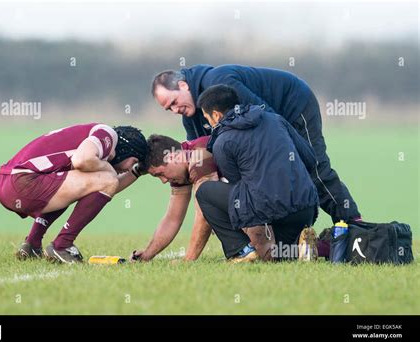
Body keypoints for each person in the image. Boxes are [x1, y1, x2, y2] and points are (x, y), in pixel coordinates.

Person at [151, 64, 361, 223]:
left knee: (312, 166)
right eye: (169, 109)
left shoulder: (220, 81)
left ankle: (351, 223)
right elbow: (207, 154)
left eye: (174, 102)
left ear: (183, 85)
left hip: (294, 106)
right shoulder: (190, 115)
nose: (175, 110)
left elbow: (266, 117)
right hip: (273, 118)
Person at [195, 84, 319, 261]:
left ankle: (240, 251)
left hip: (268, 209)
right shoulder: (276, 120)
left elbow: (238, 185)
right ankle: (302, 245)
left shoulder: (222, 142)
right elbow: (310, 159)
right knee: (281, 258)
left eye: (207, 118)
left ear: (216, 115)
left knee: (204, 192)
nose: (209, 124)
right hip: (305, 207)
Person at [0, 123, 148, 264]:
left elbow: (106, 188)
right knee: (105, 179)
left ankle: (32, 245)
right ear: (126, 150)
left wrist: (136, 172)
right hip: (22, 181)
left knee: (94, 182)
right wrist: (109, 171)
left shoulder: (95, 145)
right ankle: (62, 245)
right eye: (133, 162)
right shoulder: (108, 134)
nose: (129, 168)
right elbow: (82, 160)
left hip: (7, 182)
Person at [131, 134, 225, 261]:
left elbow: (204, 215)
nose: (163, 181)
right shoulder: (181, 168)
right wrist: (147, 255)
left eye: (160, 174)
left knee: (212, 207)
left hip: (257, 195)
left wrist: (188, 260)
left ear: (172, 157)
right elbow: (172, 219)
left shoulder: (198, 158)